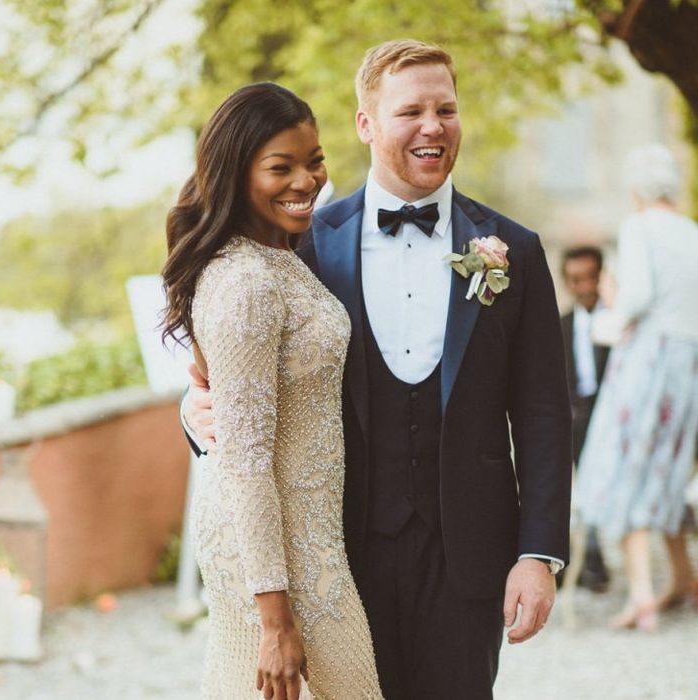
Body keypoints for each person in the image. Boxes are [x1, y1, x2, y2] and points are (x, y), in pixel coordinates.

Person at [183, 40, 572, 699]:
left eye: (446, 109)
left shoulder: (517, 252)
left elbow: (542, 414)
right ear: (366, 123)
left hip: (469, 560)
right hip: (341, 553)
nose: (432, 125)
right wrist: (193, 413)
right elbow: (241, 354)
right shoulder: (301, 244)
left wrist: (539, 555)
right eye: (410, 110)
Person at [161, 82, 384, 699]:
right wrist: (274, 619)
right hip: (277, 555)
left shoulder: (278, 257)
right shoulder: (244, 284)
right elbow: (247, 461)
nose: (306, 180)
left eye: (313, 160)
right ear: (236, 174)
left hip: (312, 541)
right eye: (279, 167)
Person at [575, 143, 698, 631]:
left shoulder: (640, 227)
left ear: (635, 188)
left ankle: (643, 594)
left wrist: (611, 305)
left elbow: (640, 297)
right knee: (668, 468)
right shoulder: (692, 232)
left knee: (625, 462)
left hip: (649, 359)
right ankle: (684, 578)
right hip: (687, 365)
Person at [559, 246, 611, 591]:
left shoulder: (618, 320)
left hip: (609, 411)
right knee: (570, 486)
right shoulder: (560, 324)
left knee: (603, 485)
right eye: (575, 280)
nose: (584, 287)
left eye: (590, 278)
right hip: (575, 413)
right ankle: (574, 558)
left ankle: (595, 556)